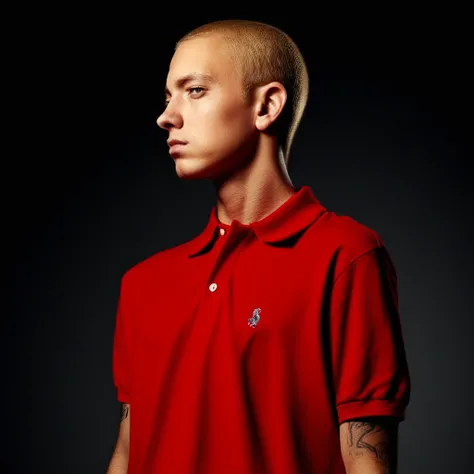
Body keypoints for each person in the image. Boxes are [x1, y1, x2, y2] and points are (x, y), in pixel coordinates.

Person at [106, 19, 411, 474]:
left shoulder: (346, 256)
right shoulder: (143, 283)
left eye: (194, 90)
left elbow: (366, 457)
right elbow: (128, 452)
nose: (166, 116)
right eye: (167, 97)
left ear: (266, 105)